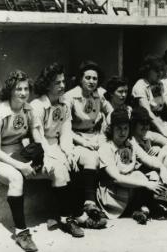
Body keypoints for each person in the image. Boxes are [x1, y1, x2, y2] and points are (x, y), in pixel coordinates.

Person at [0, 70, 71, 251]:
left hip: (21, 155)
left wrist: (48, 157)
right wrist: (21, 166)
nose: (23, 93)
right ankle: (21, 232)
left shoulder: (28, 109)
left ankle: (66, 218)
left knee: (58, 170)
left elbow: (38, 137)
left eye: (26, 88)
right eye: (18, 89)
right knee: (16, 178)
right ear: (10, 90)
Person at [30, 63, 85, 237]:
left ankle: (76, 212)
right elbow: (38, 137)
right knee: (60, 168)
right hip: (38, 148)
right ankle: (66, 217)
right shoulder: (37, 106)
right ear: (47, 85)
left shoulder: (64, 104)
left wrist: (68, 152)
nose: (62, 86)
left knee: (76, 161)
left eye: (63, 81)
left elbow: (66, 133)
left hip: (56, 144)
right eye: (57, 83)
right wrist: (54, 156)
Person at [97, 108, 167, 223]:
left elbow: (148, 159)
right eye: (119, 129)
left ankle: (147, 208)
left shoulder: (130, 143)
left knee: (151, 174)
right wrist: (146, 184)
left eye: (126, 128)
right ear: (111, 129)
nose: (123, 133)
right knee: (140, 176)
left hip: (129, 189)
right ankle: (150, 207)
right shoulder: (106, 148)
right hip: (113, 195)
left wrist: (162, 168)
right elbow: (117, 178)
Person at [63, 60, 110, 229]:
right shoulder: (70, 96)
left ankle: (105, 204)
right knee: (91, 158)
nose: (91, 81)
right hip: (76, 138)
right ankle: (89, 202)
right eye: (88, 78)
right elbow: (65, 128)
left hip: (96, 136)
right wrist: (83, 142)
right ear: (80, 79)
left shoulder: (100, 94)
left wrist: (105, 130)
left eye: (95, 78)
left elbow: (111, 111)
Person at [132, 55, 167, 142]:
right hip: (144, 127)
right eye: (156, 71)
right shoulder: (140, 85)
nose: (160, 73)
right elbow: (148, 112)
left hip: (159, 123)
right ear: (148, 71)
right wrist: (163, 131)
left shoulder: (159, 84)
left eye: (161, 70)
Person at [131, 106, 167, 178]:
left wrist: (159, 149)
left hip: (153, 166)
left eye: (147, 123)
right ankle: (166, 182)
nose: (145, 127)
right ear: (134, 124)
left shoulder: (148, 135)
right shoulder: (131, 140)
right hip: (139, 173)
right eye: (142, 123)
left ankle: (166, 181)